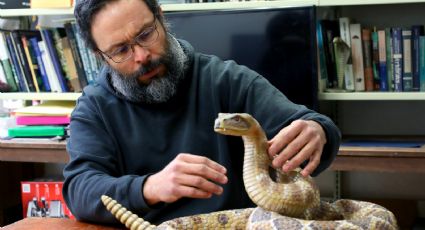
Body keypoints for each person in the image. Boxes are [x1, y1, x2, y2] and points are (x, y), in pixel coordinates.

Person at [63, 0, 341, 225]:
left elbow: (307, 123)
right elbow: (80, 190)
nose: (141, 56)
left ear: (160, 17)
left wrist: (318, 132)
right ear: (100, 56)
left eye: (146, 34)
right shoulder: (94, 108)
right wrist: (149, 187)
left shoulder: (226, 80)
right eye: (121, 50)